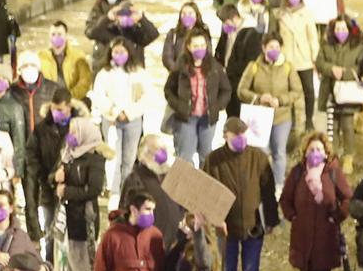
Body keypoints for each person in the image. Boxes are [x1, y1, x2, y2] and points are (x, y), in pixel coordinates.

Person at [206, 117, 278, 271]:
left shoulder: (258, 157)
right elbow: (208, 192)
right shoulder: (214, 160)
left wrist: (272, 220)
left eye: (243, 135)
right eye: (236, 136)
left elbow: (268, 190)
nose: (240, 140)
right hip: (226, 228)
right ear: (226, 136)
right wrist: (215, 219)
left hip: (253, 226)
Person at [279, 131, 351, 271]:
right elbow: (285, 199)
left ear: (326, 152)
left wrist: (336, 217)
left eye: (319, 149)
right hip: (302, 236)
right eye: (312, 149)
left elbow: (347, 198)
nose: (315, 153)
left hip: (325, 236)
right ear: (305, 151)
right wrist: (293, 216)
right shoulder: (297, 173)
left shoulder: (333, 173)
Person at [53, 105, 108, 271]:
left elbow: (94, 189)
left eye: (75, 132)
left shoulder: (94, 159)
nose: (71, 136)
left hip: (84, 216)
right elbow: (57, 178)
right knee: (67, 252)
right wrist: (56, 178)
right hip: (66, 214)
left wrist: (67, 191)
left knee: (82, 254)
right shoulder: (69, 154)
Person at [239, 31, 303, 186]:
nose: (274, 49)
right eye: (270, 46)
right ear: (263, 48)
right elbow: (241, 90)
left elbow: (297, 91)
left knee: (279, 152)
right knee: (260, 152)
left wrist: (280, 100)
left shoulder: (288, 67)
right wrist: (258, 98)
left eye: (277, 46)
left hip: (281, 118)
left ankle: (278, 185)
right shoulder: (253, 67)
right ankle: (258, 184)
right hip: (259, 117)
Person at [89, 38, 148, 197]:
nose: (119, 55)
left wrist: (128, 113)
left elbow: (145, 97)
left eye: (122, 52)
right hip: (112, 120)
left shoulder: (138, 72)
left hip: (132, 121)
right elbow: (99, 96)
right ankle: (114, 192)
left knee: (129, 158)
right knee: (114, 158)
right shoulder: (104, 73)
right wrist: (113, 111)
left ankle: (126, 191)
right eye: (116, 52)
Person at [93, 191, 165, 271]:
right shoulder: (112, 236)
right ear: (133, 209)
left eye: (153, 210)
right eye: (147, 209)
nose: (151, 214)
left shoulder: (155, 236)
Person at [164, 29, 231, 167]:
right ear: (189, 47)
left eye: (202, 45)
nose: (199, 49)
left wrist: (217, 106)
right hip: (186, 118)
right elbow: (168, 89)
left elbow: (226, 89)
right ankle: (185, 186)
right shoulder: (181, 66)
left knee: (206, 156)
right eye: (196, 46)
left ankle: (204, 187)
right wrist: (178, 105)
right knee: (185, 156)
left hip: (207, 119)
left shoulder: (214, 67)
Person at [21, 88, 74, 245]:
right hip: (48, 189)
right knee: (50, 232)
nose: (55, 112)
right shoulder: (42, 128)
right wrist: (43, 177)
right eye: (53, 108)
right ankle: (49, 265)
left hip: (72, 191)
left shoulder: (78, 128)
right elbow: (31, 155)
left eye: (60, 109)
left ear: (69, 108)